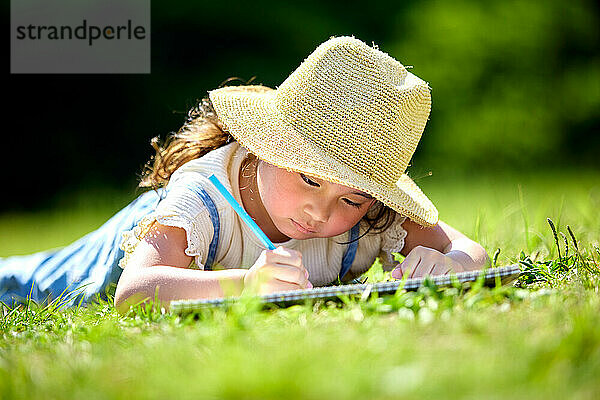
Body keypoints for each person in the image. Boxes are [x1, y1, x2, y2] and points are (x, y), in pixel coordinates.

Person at [0, 36, 489, 313]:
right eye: (311, 179)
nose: (320, 213)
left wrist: (455, 266)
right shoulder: (202, 196)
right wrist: (245, 285)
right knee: (22, 282)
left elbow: (470, 249)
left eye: (353, 199)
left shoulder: (376, 215)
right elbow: (133, 291)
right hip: (118, 255)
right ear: (269, 149)